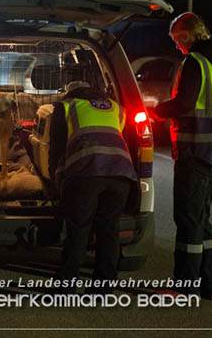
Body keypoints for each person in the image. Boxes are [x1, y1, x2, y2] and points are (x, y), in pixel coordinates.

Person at [153, 12, 212, 300]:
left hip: (194, 150)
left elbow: (184, 103)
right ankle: (210, 285)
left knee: (187, 219)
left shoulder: (195, 62)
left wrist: (156, 110)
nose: (176, 47)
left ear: (186, 36)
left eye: (177, 40)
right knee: (202, 219)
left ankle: (183, 288)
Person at [49, 81, 138, 294]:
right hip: (121, 175)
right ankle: (104, 288)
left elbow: (57, 148)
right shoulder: (117, 108)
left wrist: (57, 181)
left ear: (70, 93)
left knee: (79, 229)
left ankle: (65, 287)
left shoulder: (67, 107)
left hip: (87, 172)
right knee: (109, 230)